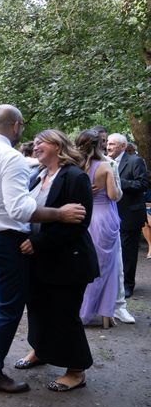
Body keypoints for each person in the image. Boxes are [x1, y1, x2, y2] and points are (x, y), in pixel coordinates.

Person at [0, 104, 86, 394]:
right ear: (16, 126)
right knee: (8, 307)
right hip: (3, 239)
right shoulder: (10, 157)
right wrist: (59, 213)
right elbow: (19, 209)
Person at [14, 129, 98, 392]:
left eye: (41, 142)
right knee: (38, 308)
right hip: (39, 260)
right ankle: (41, 351)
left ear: (58, 145)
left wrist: (36, 242)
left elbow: (79, 223)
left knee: (64, 313)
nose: (35, 146)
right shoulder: (37, 176)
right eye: (35, 143)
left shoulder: (75, 177)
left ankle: (76, 370)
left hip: (68, 261)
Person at [74, 130, 122, 327]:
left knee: (86, 265)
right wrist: (117, 188)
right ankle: (104, 313)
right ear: (98, 145)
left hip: (85, 217)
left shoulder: (75, 167)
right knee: (107, 268)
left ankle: (82, 310)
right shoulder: (105, 167)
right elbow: (113, 195)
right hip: (105, 218)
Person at [92, 126, 135, 324]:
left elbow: (116, 196)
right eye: (103, 141)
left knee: (114, 262)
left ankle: (118, 306)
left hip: (108, 215)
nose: (105, 145)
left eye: (107, 141)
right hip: (86, 217)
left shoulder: (110, 164)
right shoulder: (79, 164)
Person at [107, 133, 149, 298]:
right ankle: (113, 283)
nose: (108, 147)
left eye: (112, 144)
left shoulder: (135, 161)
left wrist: (118, 182)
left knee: (128, 252)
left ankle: (128, 285)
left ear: (123, 146)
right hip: (110, 214)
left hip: (130, 214)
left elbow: (142, 184)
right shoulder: (105, 162)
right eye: (108, 144)